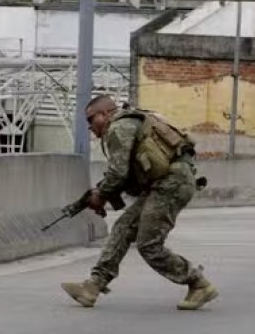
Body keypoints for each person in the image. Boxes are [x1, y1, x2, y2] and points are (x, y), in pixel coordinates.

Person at [60, 95, 218, 310]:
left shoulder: (117, 127)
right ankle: (93, 286)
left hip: (171, 182)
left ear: (105, 114)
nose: (90, 127)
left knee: (148, 245)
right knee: (123, 228)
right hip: (167, 181)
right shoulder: (131, 120)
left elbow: (118, 173)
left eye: (91, 120)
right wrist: (102, 191)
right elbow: (129, 173)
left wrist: (101, 195)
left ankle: (198, 283)